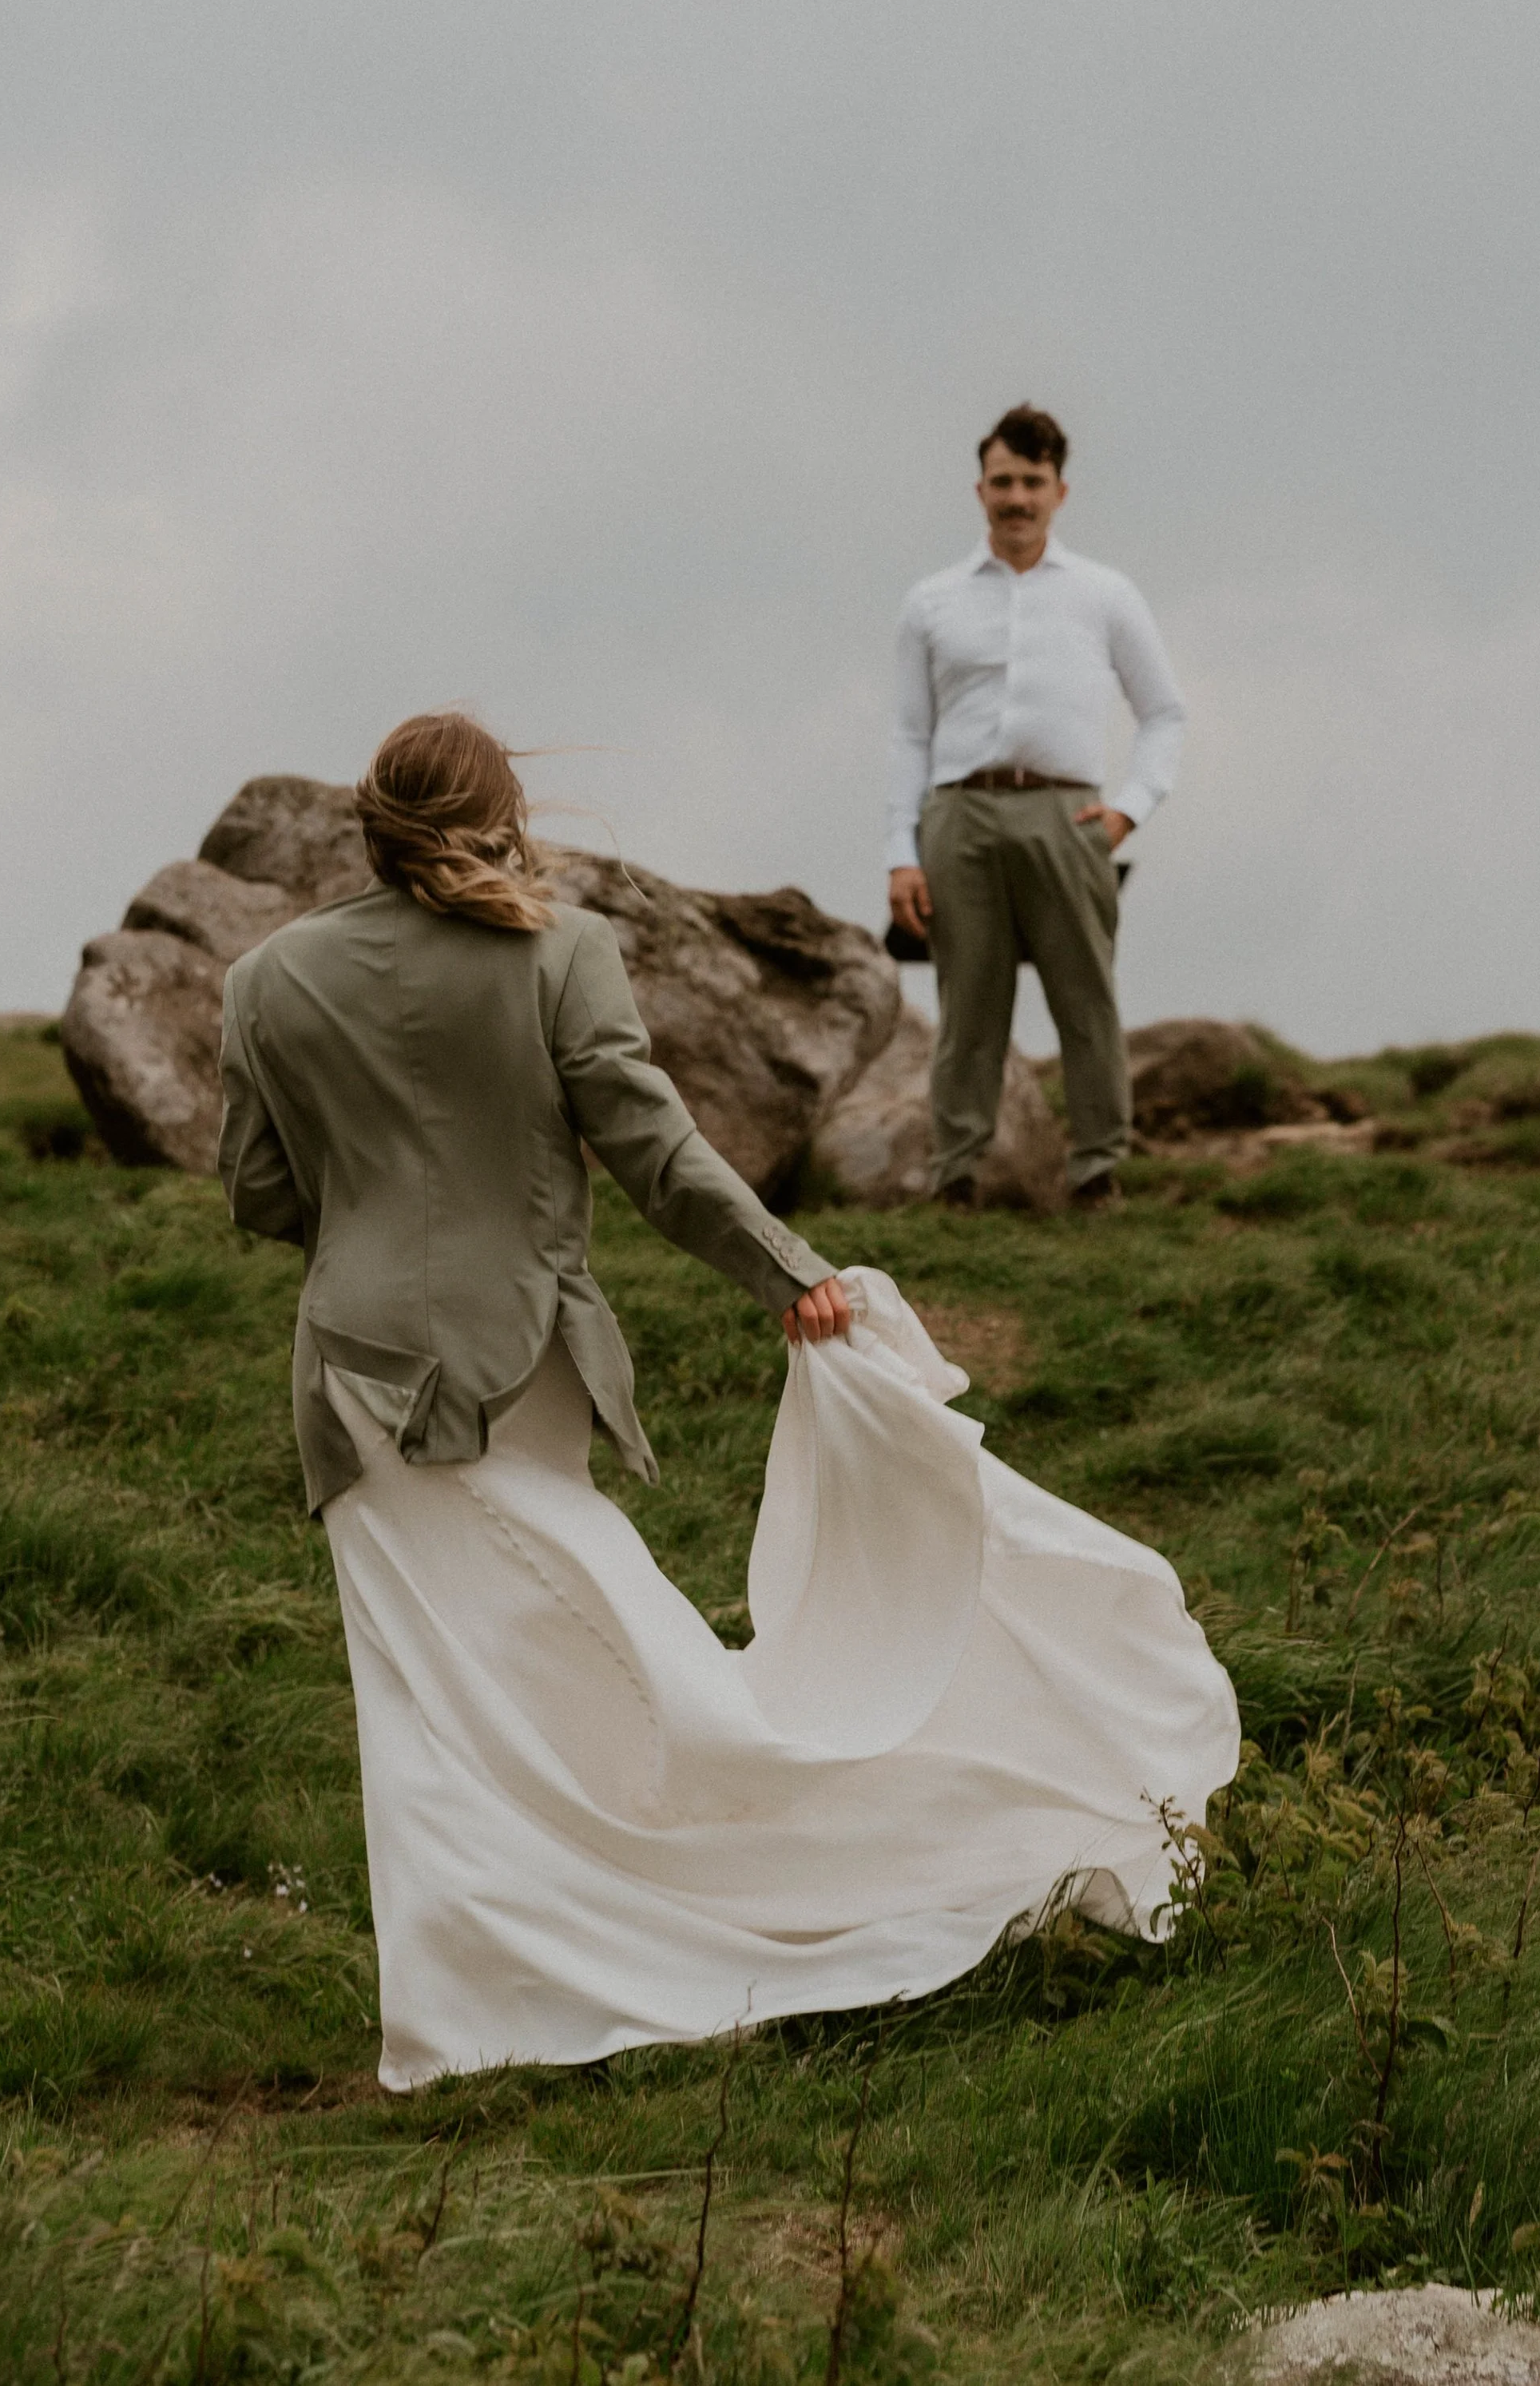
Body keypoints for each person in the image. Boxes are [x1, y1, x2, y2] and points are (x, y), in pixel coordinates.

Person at [219, 709, 1236, 2081]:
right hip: (517, 1365)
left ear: (371, 824)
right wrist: (785, 1271)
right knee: (612, 1667)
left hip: (356, 1373)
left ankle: (469, 2007)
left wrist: (376, 1214)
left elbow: (259, 1191)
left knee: (432, 1701)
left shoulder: (267, 979)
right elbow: (656, 1152)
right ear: (504, 814)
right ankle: (631, 1931)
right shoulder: (558, 951)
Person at [887, 403, 1186, 1209]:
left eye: (1032, 482)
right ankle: (956, 1179)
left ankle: (1096, 1174)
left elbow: (1164, 713)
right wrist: (900, 853)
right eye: (1002, 482)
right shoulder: (932, 602)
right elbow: (909, 734)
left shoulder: (1105, 595)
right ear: (979, 489)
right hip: (960, 814)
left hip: (1068, 815)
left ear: (1060, 490)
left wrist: (1129, 808)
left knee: (1084, 999)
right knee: (968, 1006)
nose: (1016, 498)